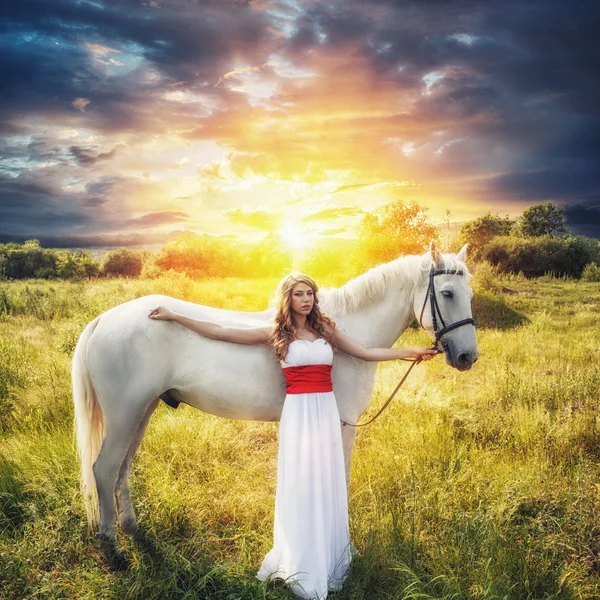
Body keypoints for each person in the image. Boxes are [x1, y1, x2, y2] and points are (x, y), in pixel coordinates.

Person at [147, 272, 438, 599]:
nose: (307, 299)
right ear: (288, 298)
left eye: (310, 293)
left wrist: (409, 352)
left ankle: (329, 556)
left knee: (326, 481)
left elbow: (365, 353)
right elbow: (221, 332)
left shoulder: (325, 329)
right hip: (298, 414)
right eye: (299, 294)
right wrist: (175, 316)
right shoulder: (276, 332)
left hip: (325, 410)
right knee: (301, 483)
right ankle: (300, 559)